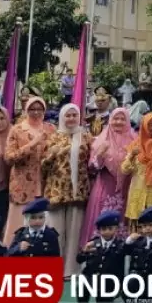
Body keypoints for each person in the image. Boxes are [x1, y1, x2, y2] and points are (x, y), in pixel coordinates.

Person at [42, 103, 91, 277]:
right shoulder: (54, 137)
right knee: (55, 232)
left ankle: (72, 269)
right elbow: (43, 166)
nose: (71, 119)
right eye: (67, 116)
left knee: (75, 232)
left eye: (74, 115)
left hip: (78, 191)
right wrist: (52, 154)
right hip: (56, 191)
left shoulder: (85, 136)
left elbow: (91, 163)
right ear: (62, 117)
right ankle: (54, 269)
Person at [3, 97, 56, 244]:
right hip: (22, 184)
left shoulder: (51, 129)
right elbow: (9, 158)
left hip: (45, 183)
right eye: (32, 109)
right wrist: (31, 144)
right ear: (26, 110)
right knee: (19, 223)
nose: (36, 112)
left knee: (41, 223)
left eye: (40, 109)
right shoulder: (17, 129)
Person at [80, 107, 135, 245]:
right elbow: (92, 167)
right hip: (105, 186)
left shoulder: (135, 140)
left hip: (126, 188)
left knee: (122, 220)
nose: (119, 122)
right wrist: (99, 155)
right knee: (103, 217)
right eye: (116, 118)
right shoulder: (101, 140)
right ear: (110, 120)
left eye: (123, 119)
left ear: (128, 121)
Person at [5, 197, 60, 303]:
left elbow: (55, 258)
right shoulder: (21, 234)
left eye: (41, 217)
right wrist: (19, 248)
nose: (37, 221)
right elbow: (8, 255)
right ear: (27, 219)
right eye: (33, 218)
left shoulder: (50, 235)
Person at [70, 210, 127, 303]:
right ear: (99, 230)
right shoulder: (92, 244)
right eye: (103, 229)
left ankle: (111, 299)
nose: (106, 232)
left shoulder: (120, 246)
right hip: (92, 279)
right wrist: (84, 252)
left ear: (116, 229)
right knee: (82, 282)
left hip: (109, 282)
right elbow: (79, 260)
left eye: (110, 229)